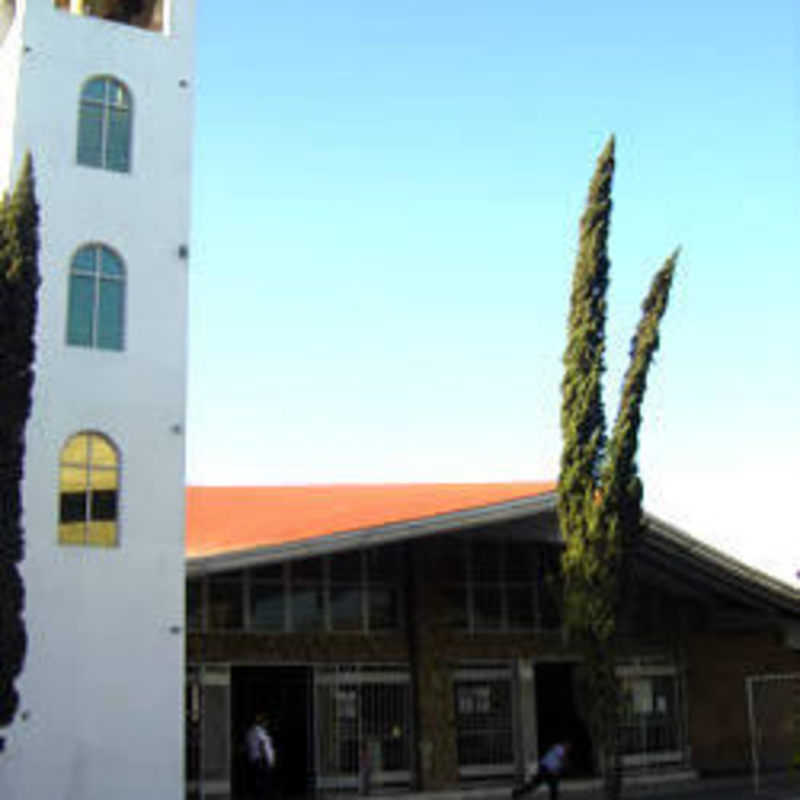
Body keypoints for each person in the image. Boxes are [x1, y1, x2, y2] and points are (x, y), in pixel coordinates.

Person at [245, 713, 276, 800]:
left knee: (258, 780)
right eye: (265, 722)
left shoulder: (251, 731)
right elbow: (262, 745)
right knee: (262, 781)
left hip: (256, 758)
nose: (267, 724)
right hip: (261, 759)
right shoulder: (258, 731)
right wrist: (267, 760)